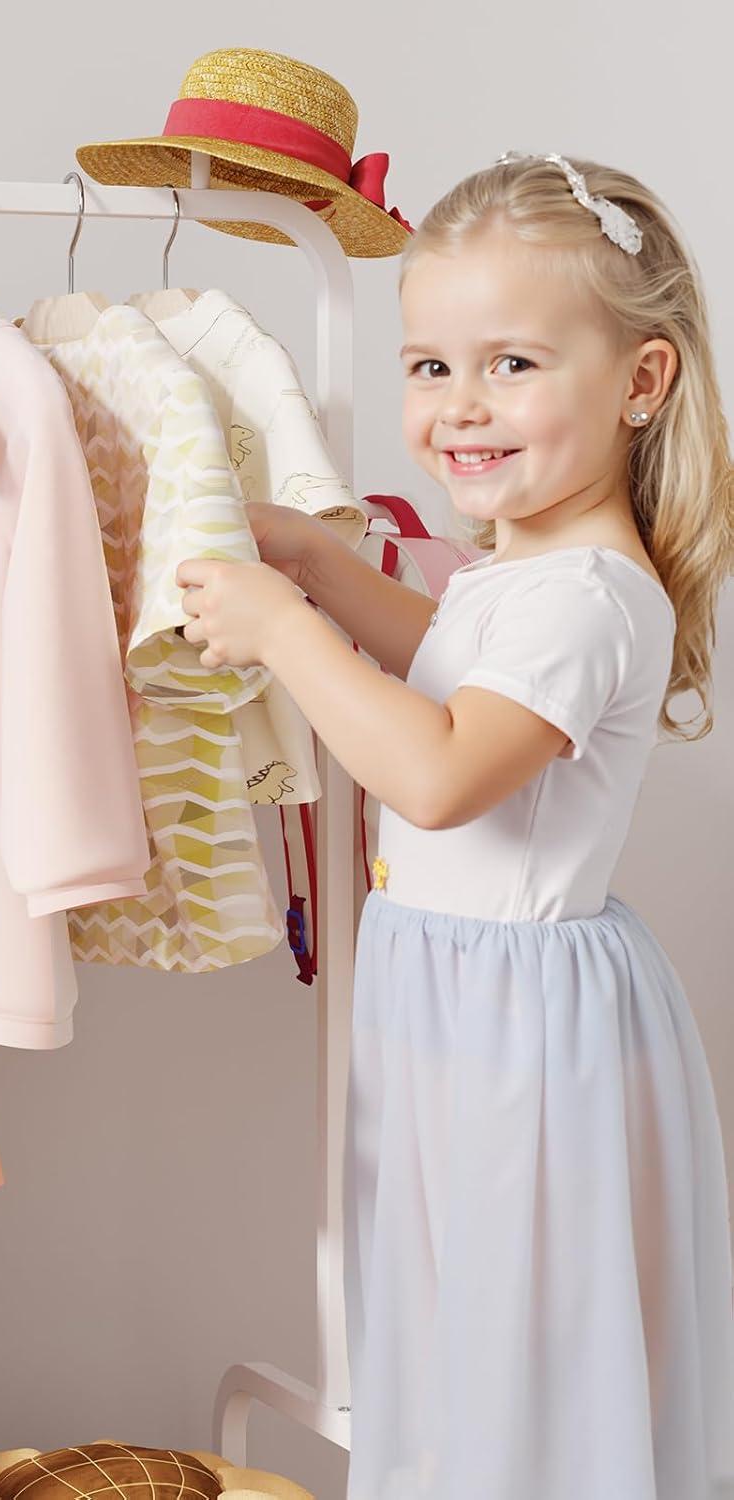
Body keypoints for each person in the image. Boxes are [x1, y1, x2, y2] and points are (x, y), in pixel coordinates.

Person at [178, 152, 734, 1499]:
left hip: (520, 1034)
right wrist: (321, 567)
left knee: (513, 1349)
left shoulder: (589, 596)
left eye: (513, 366)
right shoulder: (527, 572)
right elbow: (449, 659)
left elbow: (435, 772)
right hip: (458, 1004)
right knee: (457, 1328)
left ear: (641, 383)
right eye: (431, 367)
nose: (459, 407)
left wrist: (284, 635)